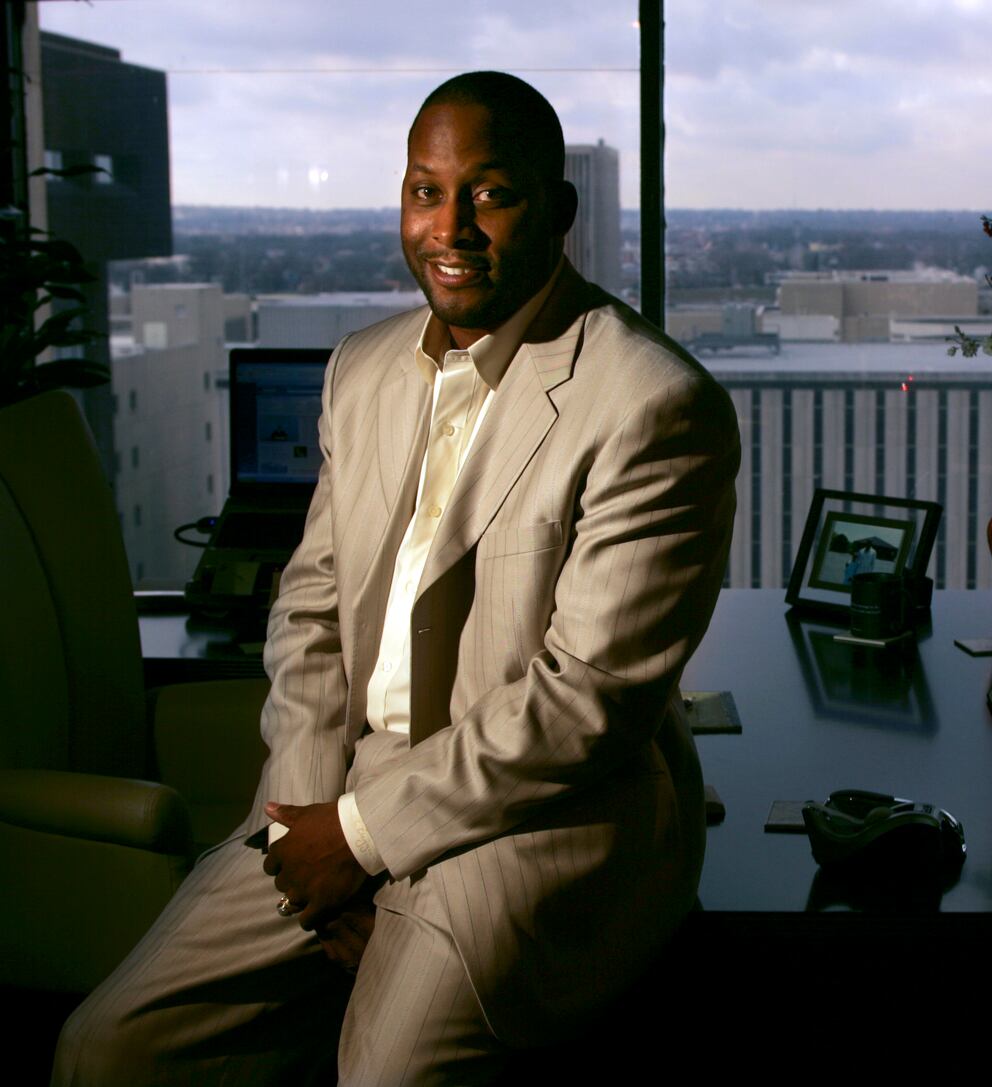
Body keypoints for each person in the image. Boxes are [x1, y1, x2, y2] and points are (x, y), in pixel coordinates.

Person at [53, 71, 738, 1085]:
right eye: (427, 190)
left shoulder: (654, 403)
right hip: (332, 792)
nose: (451, 224)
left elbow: (584, 706)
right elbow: (311, 608)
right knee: (106, 1047)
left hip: (530, 821)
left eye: (491, 193)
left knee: (385, 1072)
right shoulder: (360, 370)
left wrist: (362, 841)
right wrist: (301, 821)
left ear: (557, 210)